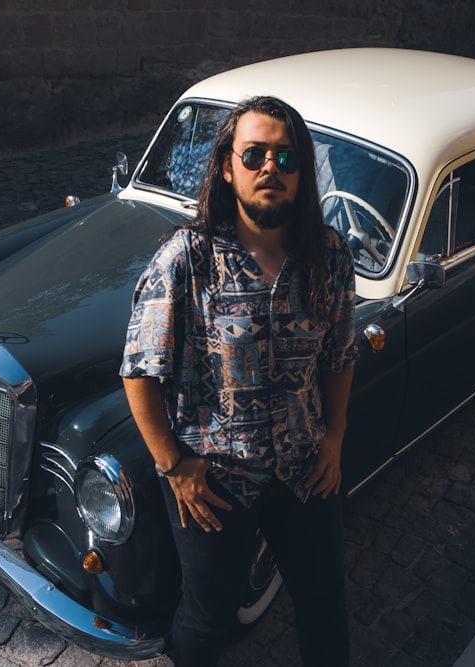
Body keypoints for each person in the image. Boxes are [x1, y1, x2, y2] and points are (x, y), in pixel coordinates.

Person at [119, 95, 358, 667]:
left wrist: (335, 437)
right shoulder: (187, 259)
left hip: (304, 470)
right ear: (228, 167)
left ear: (303, 174)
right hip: (215, 485)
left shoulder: (329, 256)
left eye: (286, 157)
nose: (269, 168)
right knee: (206, 619)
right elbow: (138, 370)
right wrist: (173, 466)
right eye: (254, 154)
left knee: (325, 603)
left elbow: (339, 356)